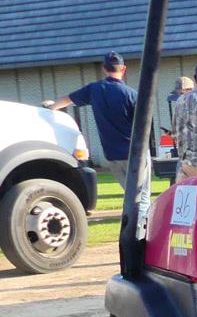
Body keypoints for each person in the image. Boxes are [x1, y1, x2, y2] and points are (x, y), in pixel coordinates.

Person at [46, 51, 151, 207]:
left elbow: (66, 99)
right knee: (142, 196)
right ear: (123, 69)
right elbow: (144, 125)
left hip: (112, 155)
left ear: (104, 68)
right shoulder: (132, 95)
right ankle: (143, 228)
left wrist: (51, 108)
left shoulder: (94, 89)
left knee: (130, 196)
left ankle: (131, 226)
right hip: (134, 153)